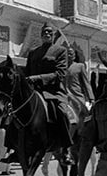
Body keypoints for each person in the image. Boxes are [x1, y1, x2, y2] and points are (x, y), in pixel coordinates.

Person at [24, 23, 73, 160]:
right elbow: (27, 72)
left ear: (53, 35)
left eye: (50, 32)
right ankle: (14, 147)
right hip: (34, 92)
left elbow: (60, 74)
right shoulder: (33, 52)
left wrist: (37, 78)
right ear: (40, 35)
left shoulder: (60, 51)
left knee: (62, 112)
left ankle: (65, 148)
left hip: (53, 91)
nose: (47, 34)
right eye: (44, 32)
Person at [65, 46, 95, 113]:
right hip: (66, 97)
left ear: (74, 56)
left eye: (71, 54)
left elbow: (86, 83)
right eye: (68, 54)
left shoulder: (80, 66)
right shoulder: (63, 68)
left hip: (77, 96)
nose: (69, 56)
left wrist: (91, 98)